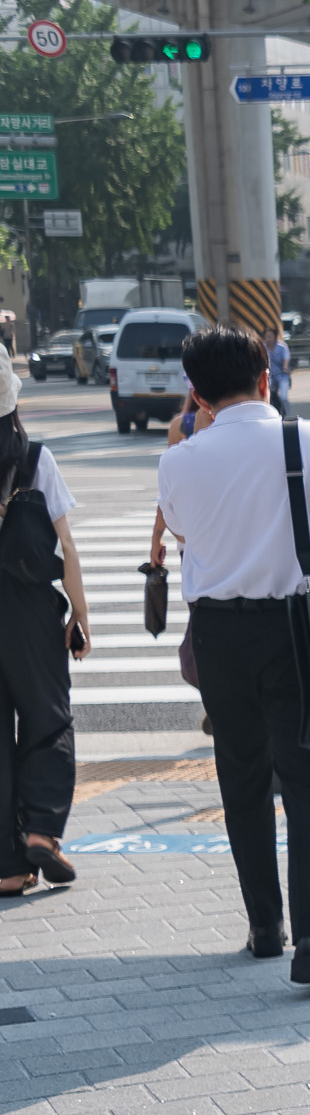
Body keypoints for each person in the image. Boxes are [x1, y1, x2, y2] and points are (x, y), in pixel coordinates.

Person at [156, 326, 310, 989]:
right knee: (309, 784)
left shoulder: (181, 458)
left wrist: (187, 439)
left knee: (241, 778)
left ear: (195, 392)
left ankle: (263, 927)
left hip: (219, 633)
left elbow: (187, 530)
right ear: (266, 379)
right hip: (301, 628)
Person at [0, 363, 90, 896]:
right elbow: (67, 547)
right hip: (32, 610)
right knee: (48, 719)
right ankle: (41, 831)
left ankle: (8, 866)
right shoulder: (35, 460)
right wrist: (79, 614)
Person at [264, 326, 293, 419]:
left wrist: (285, 367)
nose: (268, 339)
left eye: (270, 336)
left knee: (283, 397)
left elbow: (286, 358)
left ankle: (288, 415)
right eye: (266, 336)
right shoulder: (263, 347)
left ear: (275, 337)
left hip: (282, 375)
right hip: (270, 375)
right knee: (268, 395)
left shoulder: (282, 347)